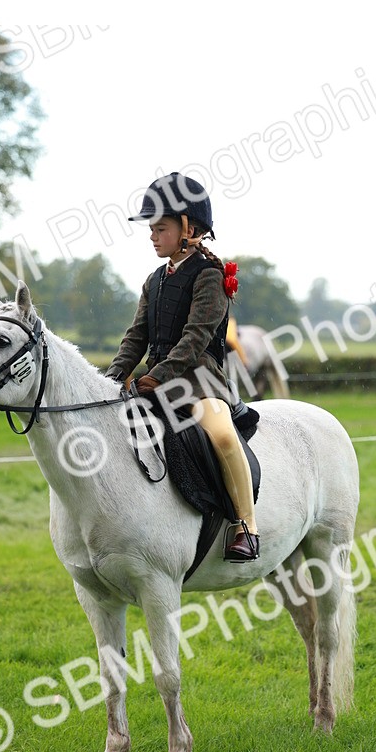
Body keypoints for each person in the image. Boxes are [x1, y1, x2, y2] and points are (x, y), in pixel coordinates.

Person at [106, 173, 259, 562]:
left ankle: (245, 526)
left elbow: (195, 338)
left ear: (189, 229)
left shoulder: (210, 275)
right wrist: (111, 376)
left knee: (222, 435)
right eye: (152, 229)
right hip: (157, 380)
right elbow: (136, 336)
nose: (152, 236)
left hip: (201, 380)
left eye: (160, 228)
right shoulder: (154, 280)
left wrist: (157, 376)